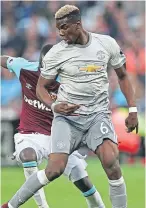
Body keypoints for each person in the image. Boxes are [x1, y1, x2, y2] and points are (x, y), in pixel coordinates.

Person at [2, 5, 138, 208]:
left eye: (64, 27)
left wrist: (133, 109)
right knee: (54, 169)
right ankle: (10, 206)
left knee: (111, 162)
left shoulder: (106, 43)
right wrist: (54, 106)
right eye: (58, 29)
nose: (61, 33)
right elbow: (41, 87)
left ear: (78, 24)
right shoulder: (56, 53)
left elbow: (123, 76)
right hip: (67, 120)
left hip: (97, 115)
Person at [1, 45, 105, 208]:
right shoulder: (25, 68)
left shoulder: (69, 81)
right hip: (30, 134)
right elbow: (5, 60)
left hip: (58, 136)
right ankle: (42, 206)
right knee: (28, 155)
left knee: (83, 181)